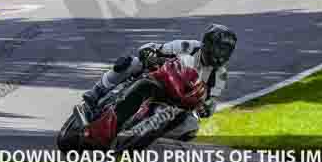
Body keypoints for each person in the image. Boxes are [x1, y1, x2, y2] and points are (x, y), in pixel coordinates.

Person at [83, 24, 237, 141]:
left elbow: (211, 100)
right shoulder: (188, 46)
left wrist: (207, 108)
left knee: (191, 126)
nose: (221, 55)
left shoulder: (220, 74)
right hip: (162, 81)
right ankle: (96, 93)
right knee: (131, 62)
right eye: (219, 48)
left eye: (226, 51)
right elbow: (156, 48)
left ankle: (156, 145)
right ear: (208, 44)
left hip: (181, 103)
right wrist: (149, 53)